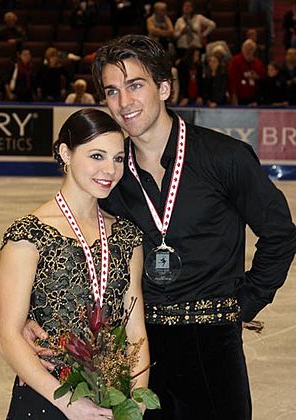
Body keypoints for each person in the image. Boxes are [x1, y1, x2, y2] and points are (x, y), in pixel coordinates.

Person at [22, 35, 296, 420]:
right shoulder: (110, 175)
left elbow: (280, 233)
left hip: (211, 344)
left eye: (135, 85)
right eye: (112, 91)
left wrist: (245, 302)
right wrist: (35, 315)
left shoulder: (225, 157)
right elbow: (66, 237)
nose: (123, 103)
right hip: (137, 349)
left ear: (164, 87)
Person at [0, 108, 149, 419]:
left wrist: (135, 402)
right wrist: (70, 404)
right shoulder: (29, 235)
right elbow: (7, 336)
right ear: (66, 153)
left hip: (111, 397)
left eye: (118, 158)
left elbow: (136, 332)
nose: (109, 169)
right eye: (97, 156)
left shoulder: (127, 237)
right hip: (47, 399)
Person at [228, 39, 266, 106]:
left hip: (254, 98)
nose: (248, 51)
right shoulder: (235, 61)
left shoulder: (259, 63)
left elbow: (264, 79)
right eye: (246, 48)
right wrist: (233, 95)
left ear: (254, 50)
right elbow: (231, 79)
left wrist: (257, 77)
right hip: (239, 97)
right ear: (242, 49)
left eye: (251, 49)